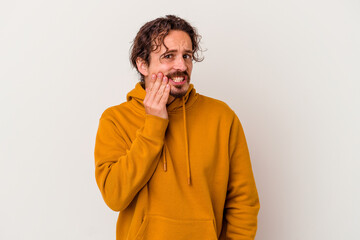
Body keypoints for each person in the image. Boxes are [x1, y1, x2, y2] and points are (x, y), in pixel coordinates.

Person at [94, 15, 260, 240]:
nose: (181, 66)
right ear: (142, 64)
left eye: (187, 56)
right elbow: (115, 196)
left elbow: (243, 203)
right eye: (168, 56)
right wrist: (154, 124)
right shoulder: (116, 119)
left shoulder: (222, 117)